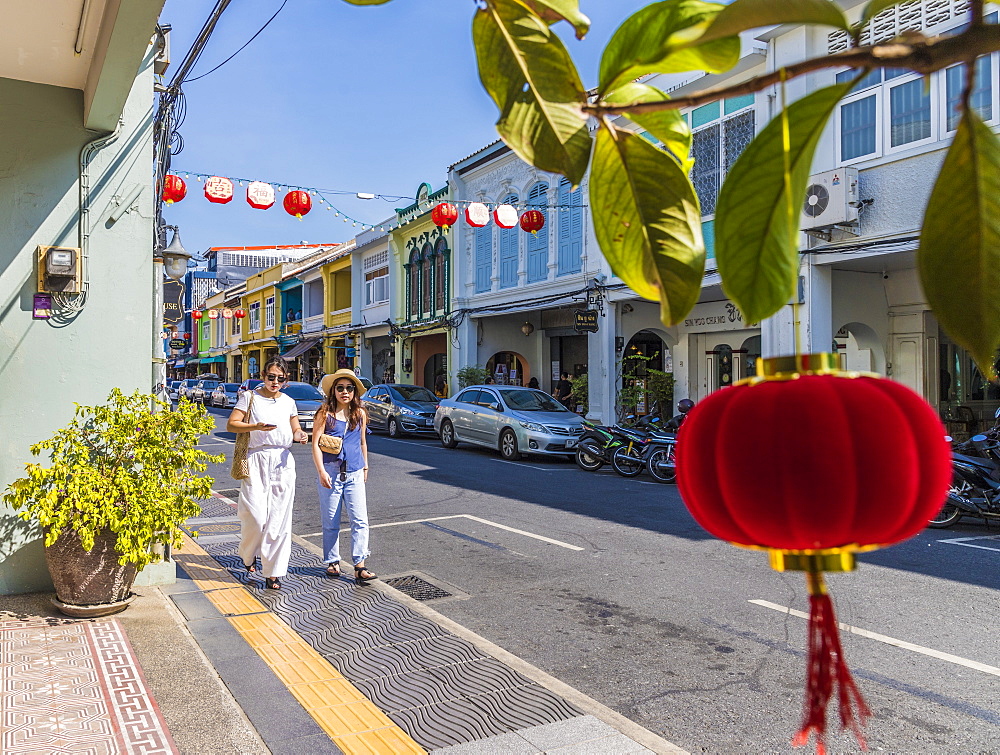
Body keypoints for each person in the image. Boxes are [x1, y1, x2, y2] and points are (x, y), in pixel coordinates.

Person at [227, 356, 308, 590]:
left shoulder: (288, 402)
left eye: (280, 378)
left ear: (286, 380)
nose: (275, 382)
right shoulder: (249, 397)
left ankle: (273, 572)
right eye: (271, 377)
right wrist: (255, 426)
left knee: (279, 519)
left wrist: (300, 436)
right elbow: (232, 424)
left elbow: (295, 429)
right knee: (254, 515)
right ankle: (248, 553)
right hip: (256, 457)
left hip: (282, 460)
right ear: (263, 376)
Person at [314, 369, 376, 584]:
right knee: (331, 521)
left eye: (349, 388)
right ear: (333, 391)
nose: (345, 392)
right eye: (340, 388)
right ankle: (332, 561)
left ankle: (360, 565)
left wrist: (365, 467)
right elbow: (315, 444)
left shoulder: (359, 413)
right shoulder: (325, 413)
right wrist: (321, 471)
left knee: (360, 520)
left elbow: (362, 442)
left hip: (355, 473)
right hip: (331, 472)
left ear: (354, 392)